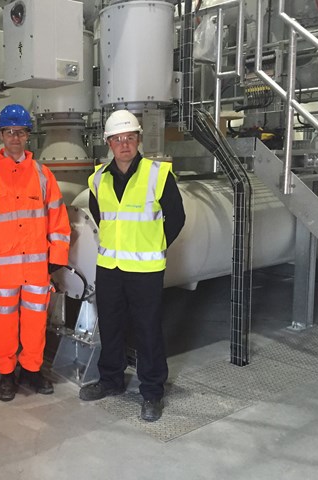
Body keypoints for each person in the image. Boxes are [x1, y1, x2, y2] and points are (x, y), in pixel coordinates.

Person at [78, 110, 185, 422]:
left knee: (147, 330)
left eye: (129, 138)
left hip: (146, 269)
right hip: (110, 267)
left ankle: (151, 392)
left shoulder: (158, 174)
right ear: (108, 143)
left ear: (138, 139)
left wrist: (153, 244)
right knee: (110, 325)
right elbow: (102, 217)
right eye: (117, 139)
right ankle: (111, 380)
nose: (123, 144)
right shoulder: (98, 178)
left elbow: (176, 219)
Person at [0, 104, 71, 402]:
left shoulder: (43, 175)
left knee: (36, 322)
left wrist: (57, 256)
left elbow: (58, 219)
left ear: (28, 136)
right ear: (1, 135)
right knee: (2, 324)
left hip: (37, 266)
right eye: (10, 132)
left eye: (21, 132)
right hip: (1, 268)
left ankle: (33, 371)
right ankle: (6, 375)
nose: (15, 137)